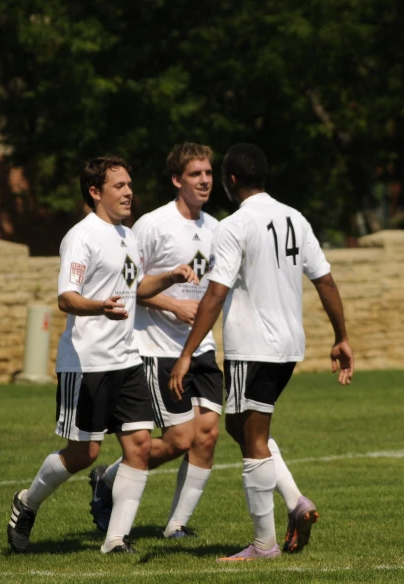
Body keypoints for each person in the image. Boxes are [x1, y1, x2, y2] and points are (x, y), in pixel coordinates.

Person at [89, 143, 320, 547]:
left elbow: (219, 290)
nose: (205, 180)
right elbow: (129, 288)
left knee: (209, 434)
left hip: (201, 350)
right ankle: (110, 477)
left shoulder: (219, 227)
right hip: (157, 347)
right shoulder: (152, 225)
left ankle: (176, 525)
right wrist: (171, 304)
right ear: (177, 180)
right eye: (195, 174)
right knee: (181, 439)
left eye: (209, 173)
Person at [170, 143, 354, 561]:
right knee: (241, 428)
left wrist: (186, 353)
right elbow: (325, 281)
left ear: (231, 181)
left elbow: (215, 294)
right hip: (289, 347)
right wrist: (342, 337)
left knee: (251, 438)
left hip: (252, 347)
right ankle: (295, 502)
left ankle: (263, 545)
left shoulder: (234, 226)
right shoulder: (296, 218)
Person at [6, 156, 196, 554]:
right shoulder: (82, 236)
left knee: (140, 446)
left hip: (128, 360)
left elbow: (137, 288)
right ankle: (28, 502)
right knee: (84, 453)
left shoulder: (128, 235)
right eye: (119, 186)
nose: (129, 192)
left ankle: (115, 540)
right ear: (95, 192)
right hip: (87, 362)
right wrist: (99, 307)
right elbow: (66, 298)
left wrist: (170, 276)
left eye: (130, 184)